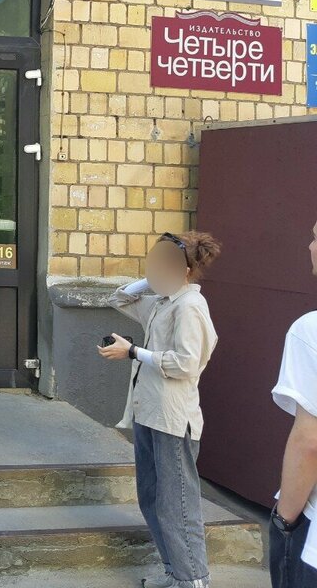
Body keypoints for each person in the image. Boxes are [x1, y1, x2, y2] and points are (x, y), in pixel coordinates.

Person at [99, 231, 222, 588]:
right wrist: (151, 278)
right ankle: (176, 574)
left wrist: (133, 352)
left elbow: (186, 363)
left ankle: (193, 579)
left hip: (173, 419)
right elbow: (118, 298)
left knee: (177, 506)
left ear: (186, 269)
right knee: (152, 499)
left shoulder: (190, 306)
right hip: (148, 412)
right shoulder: (162, 301)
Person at [269, 219, 317, 588]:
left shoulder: (310, 330)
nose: (310, 247)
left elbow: (310, 441)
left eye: (316, 237)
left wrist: (285, 518)